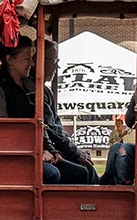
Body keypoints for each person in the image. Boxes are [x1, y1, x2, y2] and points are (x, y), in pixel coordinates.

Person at [0, 36, 86, 183]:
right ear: (10, 60)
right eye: (27, 58)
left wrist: (50, 149)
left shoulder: (26, 85)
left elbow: (39, 124)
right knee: (52, 174)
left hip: (29, 152)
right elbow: (2, 132)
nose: (32, 63)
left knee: (80, 173)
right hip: (9, 155)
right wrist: (36, 152)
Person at [29, 39, 94, 184]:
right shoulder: (33, 90)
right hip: (43, 150)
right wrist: (74, 152)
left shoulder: (45, 90)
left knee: (88, 167)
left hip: (53, 148)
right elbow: (49, 128)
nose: (56, 66)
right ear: (36, 59)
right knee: (81, 171)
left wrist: (73, 150)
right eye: (52, 60)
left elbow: (56, 127)